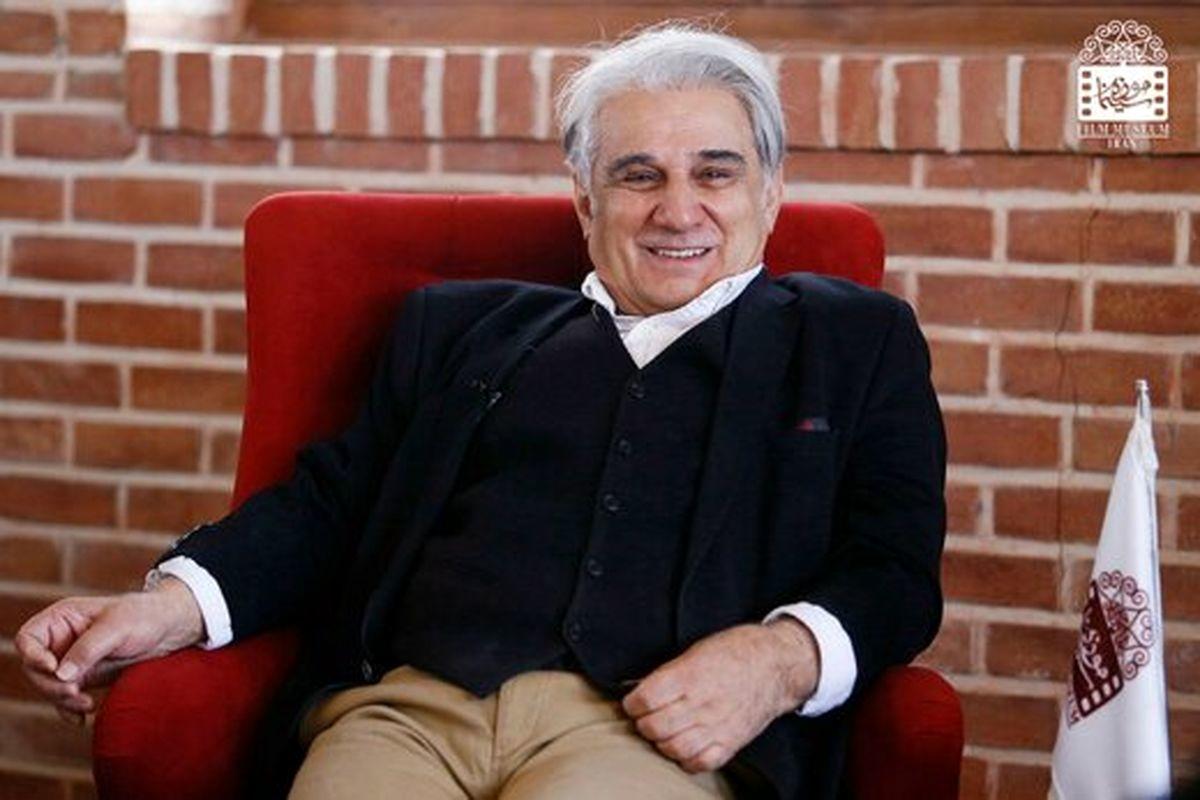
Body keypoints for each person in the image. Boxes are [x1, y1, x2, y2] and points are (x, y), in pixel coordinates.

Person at [16, 23, 946, 800]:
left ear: (769, 193)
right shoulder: (462, 331)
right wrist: (164, 608)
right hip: (405, 715)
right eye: (638, 176)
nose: (678, 210)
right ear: (585, 200)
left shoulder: (850, 341)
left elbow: (894, 566)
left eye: (715, 174)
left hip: (648, 735)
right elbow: (325, 508)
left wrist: (776, 661)